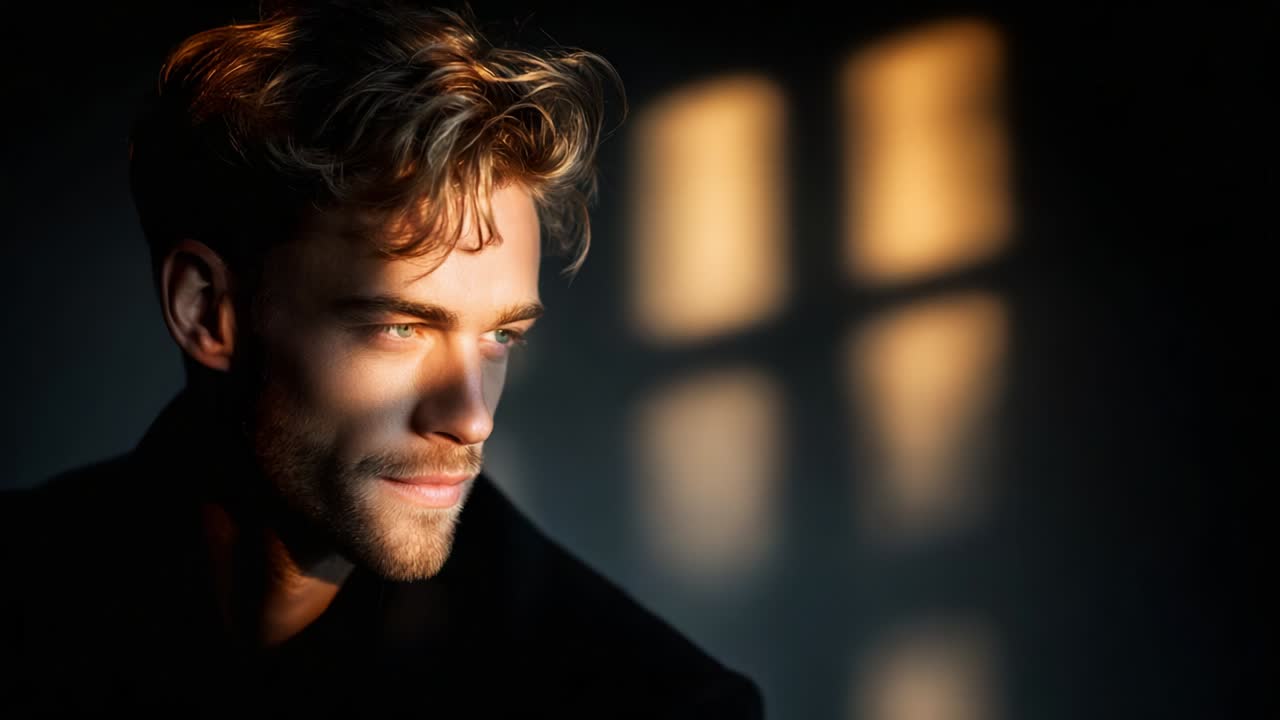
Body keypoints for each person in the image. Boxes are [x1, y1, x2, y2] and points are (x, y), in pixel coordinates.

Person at [0, 1, 763, 716]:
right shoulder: (30, 585)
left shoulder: (652, 702)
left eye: (501, 335)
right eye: (401, 327)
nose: (470, 419)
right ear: (207, 310)